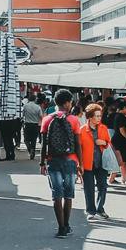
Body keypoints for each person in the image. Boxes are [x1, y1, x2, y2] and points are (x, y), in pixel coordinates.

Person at [40, 89, 87, 238]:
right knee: (68, 195)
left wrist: (42, 163)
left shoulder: (47, 119)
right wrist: (80, 163)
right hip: (70, 160)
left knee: (56, 195)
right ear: (67, 103)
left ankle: (60, 228)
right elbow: (78, 144)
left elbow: (43, 144)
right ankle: (67, 226)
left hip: (53, 160)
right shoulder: (73, 120)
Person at [82, 104, 113, 221]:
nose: (99, 118)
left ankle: (100, 209)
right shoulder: (82, 130)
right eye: (97, 116)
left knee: (102, 186)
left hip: (101, 162)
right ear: (90, 117)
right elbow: (79, 149)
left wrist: (103, 143)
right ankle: (90, 210)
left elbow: (109, 143)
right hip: (87, 163)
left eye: (100, 116)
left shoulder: (103, 128)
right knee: (88, 188)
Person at [22, 94, 43, 160]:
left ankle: (29, 148)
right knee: (34, 139)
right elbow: (41, 116)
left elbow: (22, 115)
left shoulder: (25, 106)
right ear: (35, 99)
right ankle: (32, 150)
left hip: (27, 124)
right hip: (35, 125)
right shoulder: (38, 107)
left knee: (26, 139)